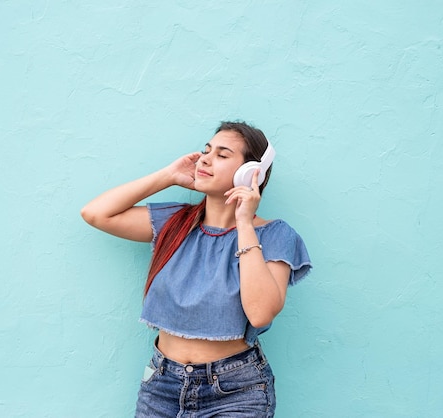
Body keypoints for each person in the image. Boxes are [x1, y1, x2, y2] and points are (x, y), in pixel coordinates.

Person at [81, 120, 312, 417]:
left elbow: (260, 312)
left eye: (222, 154)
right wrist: (168, 176)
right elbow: (95, 213)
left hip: (237, 391)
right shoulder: (174, 223)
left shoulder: (274, 235)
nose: (205, 158)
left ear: (251, 172)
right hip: (162, 384)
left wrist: (244, 221)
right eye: (206, 150)